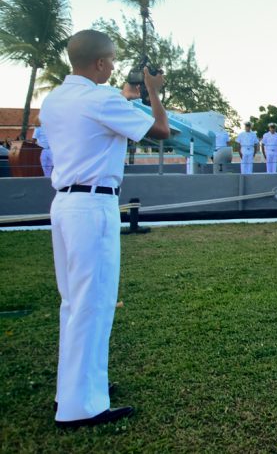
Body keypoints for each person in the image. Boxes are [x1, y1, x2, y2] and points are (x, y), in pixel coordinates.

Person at [39, 29, 170, 428]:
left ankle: (77, 390)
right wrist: (153, 91)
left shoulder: (56, 99)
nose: (114, 67)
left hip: (64, 204)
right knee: (93, 303)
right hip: (92, 205)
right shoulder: (100, 99)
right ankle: (82, 407)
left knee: (74, 304)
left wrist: (129, 98)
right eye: (111, 60)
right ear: (98, 63)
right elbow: (162, 131)